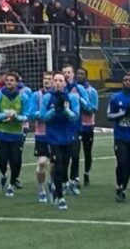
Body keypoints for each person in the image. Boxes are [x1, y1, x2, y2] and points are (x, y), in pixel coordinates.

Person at [106, 74, 130, 202]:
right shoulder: (115, 97)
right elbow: (109, 116)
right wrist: (122, 114)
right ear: (122, 82)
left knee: (129, 164)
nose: (127, 82)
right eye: (125, 80)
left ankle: (122, 189)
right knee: (121, 162)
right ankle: (119, 185)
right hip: (120, 136)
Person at [42, 73, 80, 211]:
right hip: (53, 137)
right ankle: (60, 197)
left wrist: (65, 110)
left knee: (64, 166)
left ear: (65, 83)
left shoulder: (72, 97)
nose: (58, 83)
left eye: (60, 80)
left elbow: (75, 117)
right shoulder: (47, 97)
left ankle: (54, 184)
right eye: (55, 80)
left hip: (68, 137)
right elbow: (43, 117)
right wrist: (53, 111)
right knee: (58, 166)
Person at [0, 71, 32, 197]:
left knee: (15, 159)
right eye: (7, 80)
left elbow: (27, 115)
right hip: (2, 132)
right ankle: (4, 174)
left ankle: (11, 184)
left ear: (17, 82)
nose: (9, 82)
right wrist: (3, 116)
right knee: (2, 160)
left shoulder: (23, 97)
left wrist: (16, 117)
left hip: (16, 133)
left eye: (12, 80)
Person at [61, 64, 85, 194]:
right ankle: (63, 181)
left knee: (75, 154)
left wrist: (79, 99)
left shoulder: (78, 88)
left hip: (75, 127)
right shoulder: (58, 89)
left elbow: (89, 106)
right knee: (63, 156)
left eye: (69, 72)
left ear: (73, 74)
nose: (66, 75)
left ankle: (74, 178)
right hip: (61, 127)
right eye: (64, 72)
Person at [31, 71, 55, 203]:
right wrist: (44, 114)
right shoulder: (36, 95)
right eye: (45, 78)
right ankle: (41, 188)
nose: (46, 81)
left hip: (55, 135)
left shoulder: (57, 96)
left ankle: (52, 182)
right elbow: (31, 113)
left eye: (49, 79)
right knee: (41, 163)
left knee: (54, 165)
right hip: (41, 135)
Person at [73, 68, 98, 186]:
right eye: (78, 73)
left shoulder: (91, 91)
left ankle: (86, 173)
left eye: (82, 74)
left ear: (86, 76)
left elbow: (93, 108)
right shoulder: (72, 89)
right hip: (76, 126)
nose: (79, 76)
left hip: (88, 125)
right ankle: (76, 176)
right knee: (75, 152)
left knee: (87, 152)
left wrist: (82, 103)